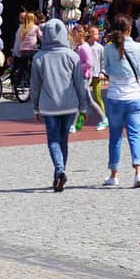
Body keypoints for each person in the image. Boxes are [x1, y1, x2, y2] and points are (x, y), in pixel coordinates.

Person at [29, 18, 93, 192]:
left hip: (49, 105)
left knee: (53, 140)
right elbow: (79, 83)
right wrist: (83, 106)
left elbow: (34, 85)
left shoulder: (39, 57)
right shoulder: (72, 55)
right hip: (70, 104)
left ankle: (59, 170)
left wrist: (35, 107)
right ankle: (59, 172)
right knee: (63, 140)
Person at [101, 15, 140, 188]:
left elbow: (107, 69)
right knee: (135, 135)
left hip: (115, 96)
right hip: (135, 96)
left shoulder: (108, 48)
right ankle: (139, 172)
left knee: (115, 137)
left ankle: (114, 174)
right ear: (130, 28)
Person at [74, 24, 108, 131]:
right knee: (84, 101)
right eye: (96, 34)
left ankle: (103, 118)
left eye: (74, 34)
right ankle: (77, 125)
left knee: (94, 99)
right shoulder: (81, 47)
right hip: (85, 76)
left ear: (80, 35)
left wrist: (102, 72)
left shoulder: (86, 47)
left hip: (93, 75)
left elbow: (90, 63)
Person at [12, 12, 41, 89]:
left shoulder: (22, 28)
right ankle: (32, 82)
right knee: (32, 67)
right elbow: (41, 37)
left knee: (23, 66)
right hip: (31, 49)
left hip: (23, 49)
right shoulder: (35, 27)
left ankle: (20, 83)